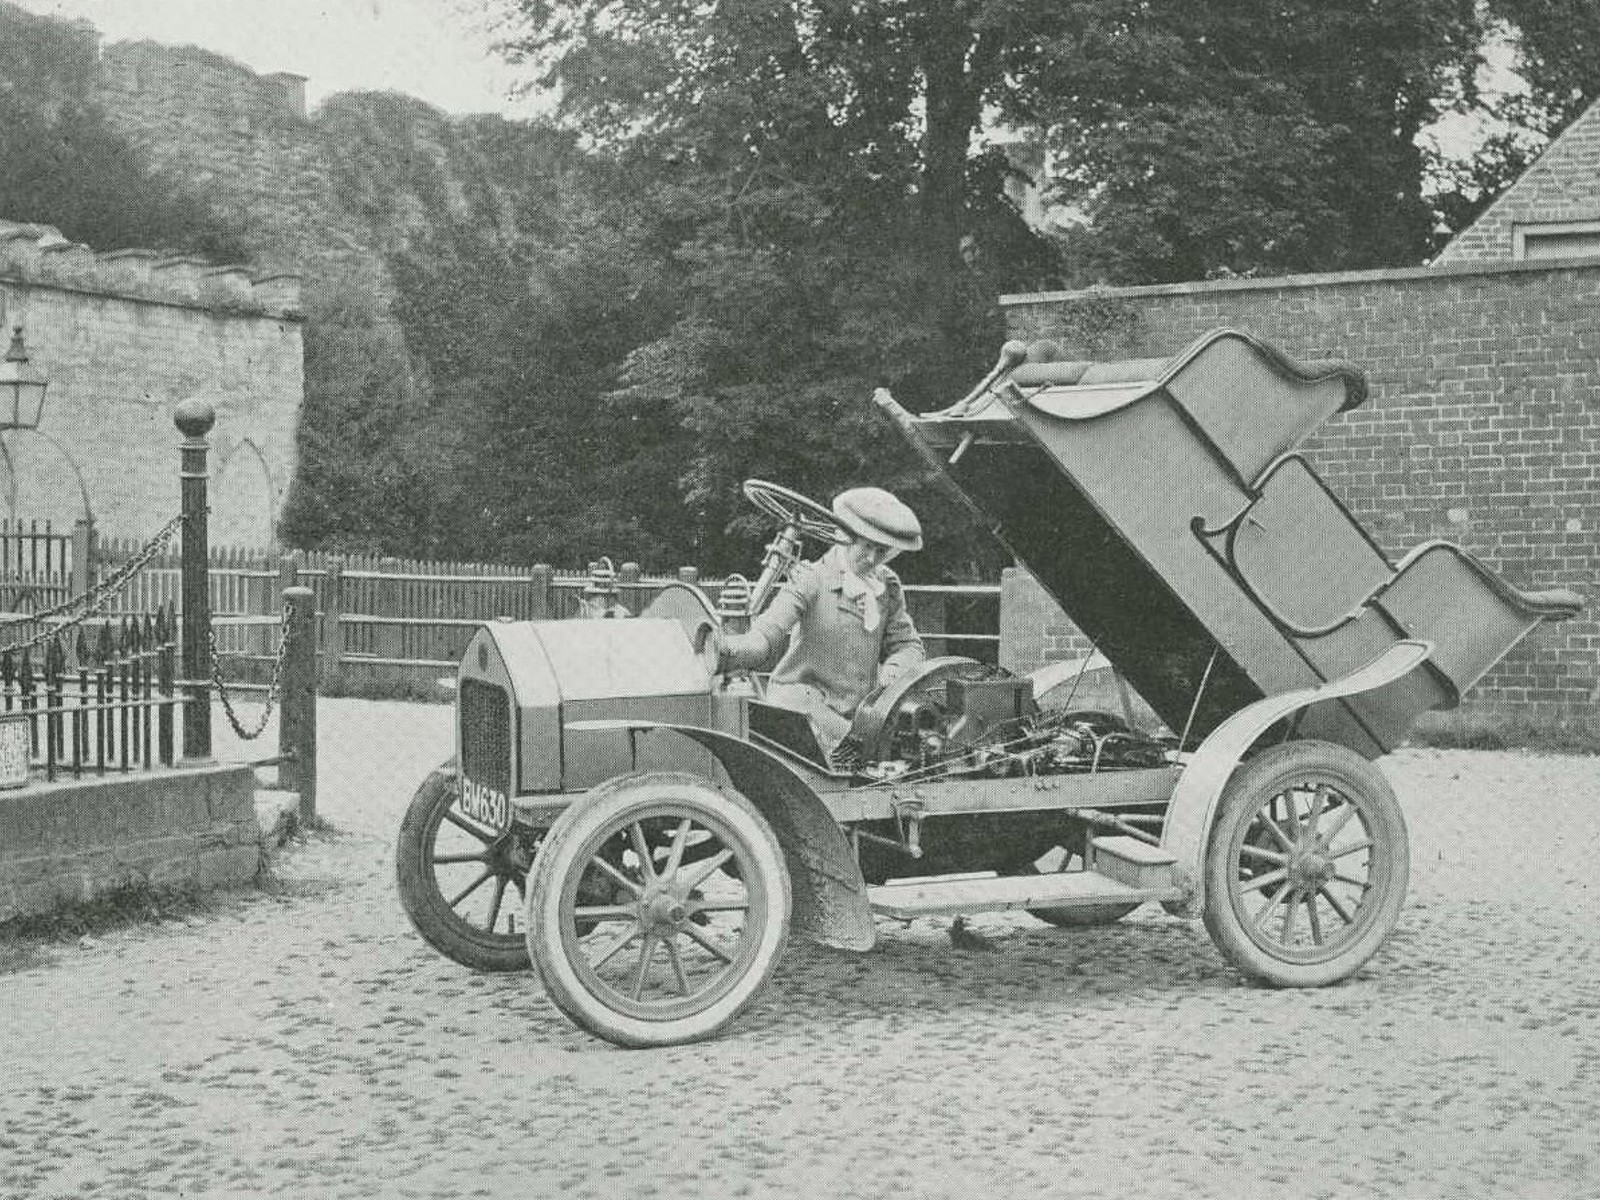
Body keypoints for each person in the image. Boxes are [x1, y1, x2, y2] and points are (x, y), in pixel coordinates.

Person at [720, 486, 926, 754]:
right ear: (847, 538)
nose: (872, 559)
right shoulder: (812, 578)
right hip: (806, 711)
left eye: (882, 550)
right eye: (866, 547)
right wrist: (734, 650)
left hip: (859, 716)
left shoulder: (885, 586)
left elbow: (909, 645)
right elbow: (770, 629)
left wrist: (895, 669)